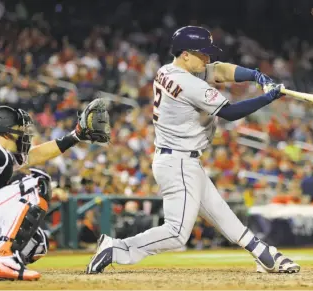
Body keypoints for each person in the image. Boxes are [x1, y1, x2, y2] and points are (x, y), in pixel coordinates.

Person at [86, 26, 300, 274]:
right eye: (202, 54)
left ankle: (263, 254)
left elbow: (219, 69)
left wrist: (255, 75)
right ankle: (116, 248)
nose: (207, 58)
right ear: (185, 54)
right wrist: (267, 98)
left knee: (220, 211)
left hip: (179, 159)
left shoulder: (168, 70)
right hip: (178, 161)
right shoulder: (189, 83)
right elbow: (230, 112)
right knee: (177, 233)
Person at [0, 99, 110, 281]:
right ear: (7, 132)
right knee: (37, 183)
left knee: (36, 242)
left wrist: (75, 136)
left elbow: (34, 155)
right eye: (21, 129)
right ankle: (3, 258)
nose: (26, 133)